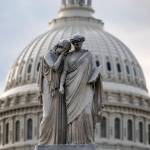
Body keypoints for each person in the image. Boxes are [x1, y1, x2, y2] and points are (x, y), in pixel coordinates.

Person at [59, 35, 103, 144]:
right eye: (74, 43)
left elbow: (93, 69)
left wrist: (96, 76)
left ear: (82, 42)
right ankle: (73, 141)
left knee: (87, 113)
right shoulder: (68, 57)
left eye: (78, 42)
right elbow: (64, 72)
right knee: (73, 118)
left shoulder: (88, 55)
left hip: (86, 87)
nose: (76, 44)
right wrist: (61, 85)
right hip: (71, 88)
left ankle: (87, 140)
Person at [37, 40, 71, 145]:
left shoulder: (63, 58)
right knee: (47, 115)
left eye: (65, 51)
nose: (63, 52)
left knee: (58, 116)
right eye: (63, 49)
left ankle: (58, 141)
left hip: (58, 89)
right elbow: (54, 67)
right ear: (58, 46)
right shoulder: (48, 55)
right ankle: (43, 141)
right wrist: (62, 55)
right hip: (48, 87)